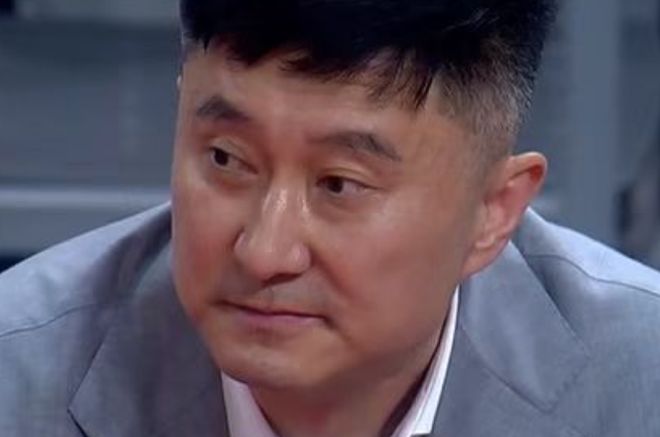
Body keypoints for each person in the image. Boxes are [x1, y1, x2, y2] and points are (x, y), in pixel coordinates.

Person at [1, 1, 659, 436]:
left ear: (494, 211)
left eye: (339, 184)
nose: (265, 252)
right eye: (227, 158)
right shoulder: (20, 375)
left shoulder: (639, 386)